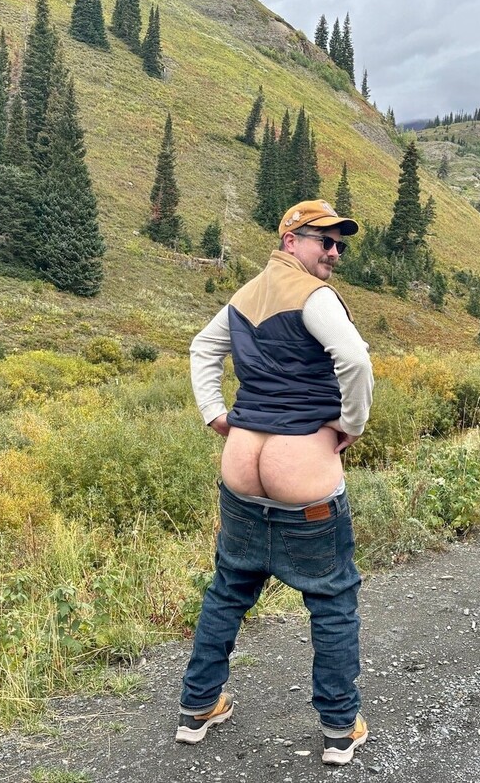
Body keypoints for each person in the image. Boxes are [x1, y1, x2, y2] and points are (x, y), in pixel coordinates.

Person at [177, 199, 374, 766]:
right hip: (302, 472)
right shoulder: (314, 297)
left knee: (229, 589)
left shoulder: (245, 295)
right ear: (291, 241)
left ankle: (198, 706)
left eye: (339, 243)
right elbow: (355, 360)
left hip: (241, 466)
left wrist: (215, 413)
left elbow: (203, 347)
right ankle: (339, 728)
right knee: (331, 600)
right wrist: (352, 425)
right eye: (324, 241)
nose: (334, 252)